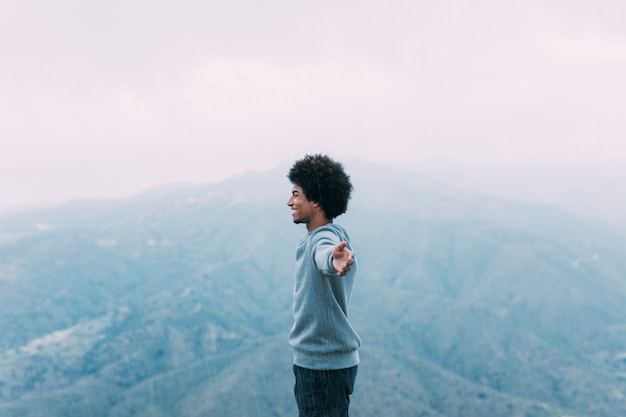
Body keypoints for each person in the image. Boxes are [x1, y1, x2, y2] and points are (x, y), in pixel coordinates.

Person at [286, 154, 361, 417]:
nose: (290, 202)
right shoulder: (333, 234)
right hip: (324, 364)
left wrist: (333, 258)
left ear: (315, 201)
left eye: (296, 195)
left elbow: (324, 253)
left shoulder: (325, 238)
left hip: (322, 368)